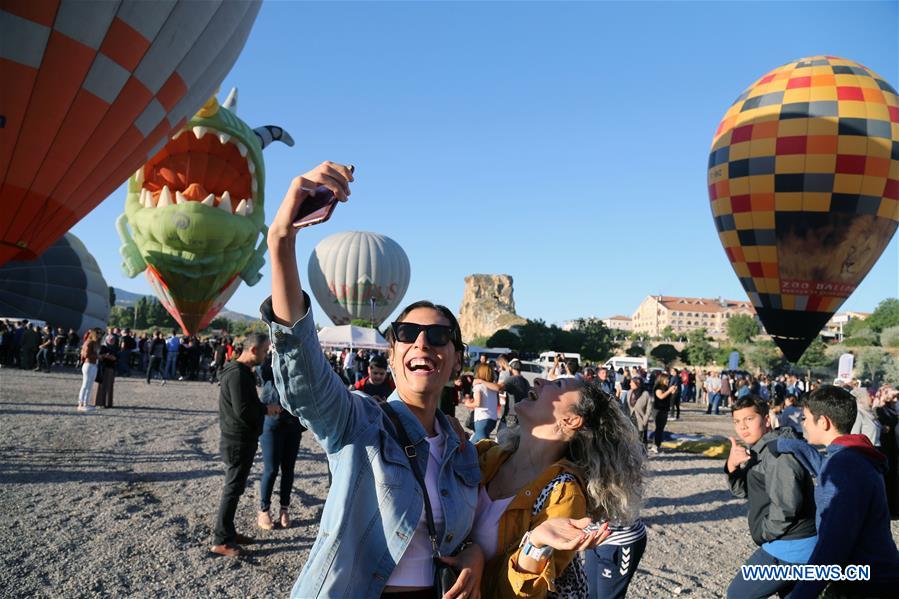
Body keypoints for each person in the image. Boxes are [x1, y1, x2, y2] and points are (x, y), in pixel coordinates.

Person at [262, 161, 483, 597]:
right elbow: (303, 373)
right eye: (407, 334)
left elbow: (476, 527)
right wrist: (281, 240)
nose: (423, 343)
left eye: (439, 336)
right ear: (393, 352)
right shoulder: (360, 423)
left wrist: (474, 553)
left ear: (456, 360)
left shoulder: (465, 452)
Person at [471, 379, 644, 598]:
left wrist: (535, 543)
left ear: (570, 420)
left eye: (559, 385)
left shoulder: (563, 495)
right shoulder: (483, 455)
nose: (538, 380)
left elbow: (517, 595)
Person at [775, 385, 899, 598]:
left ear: (823, 421)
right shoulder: (852, 456)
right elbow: (823, 466)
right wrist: (787, 445)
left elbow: (833, 544)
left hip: (868, 585)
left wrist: (801, 594)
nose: (803, 424)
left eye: (805, 418)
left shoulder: (844, 466)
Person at [724, 395, 817, 599]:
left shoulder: (778, 452)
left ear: (766, 420)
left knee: (737, 595)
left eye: (749, 419)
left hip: (791, 546)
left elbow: (787, 506)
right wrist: (732, 468)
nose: (742, 427)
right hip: (790, 543)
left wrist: (763, 533)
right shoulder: (761, 448)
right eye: (737, 421)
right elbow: (746, 491)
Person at [210, 332, 271, 557]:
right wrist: (267, 409)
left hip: (241, 439)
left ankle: (228, 531)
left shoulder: (242, 372)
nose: (266, 356)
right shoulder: (237, 374)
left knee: (235, 488)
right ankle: (221, 540)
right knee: (232, 489)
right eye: (264, 351)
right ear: (253, 350)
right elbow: (243, 410)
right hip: (237, 440)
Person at [257, 349, 305, 531]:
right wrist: (271, 354)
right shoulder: (270, 364)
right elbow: (262, 372)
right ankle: (264, 510)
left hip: (292, 423)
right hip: (272, 423)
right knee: (271, 469)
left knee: (288, 469)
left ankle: (284, 509)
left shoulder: (299, 365)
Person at [466, 363, 499, 442]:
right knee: (473, 443)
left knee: (484, 445)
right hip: (492, 419)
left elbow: (477, 403)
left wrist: (468, 404)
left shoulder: (479, 386)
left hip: (482, 419)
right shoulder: (492, 388)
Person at [650, 373, 677, 453]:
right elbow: (661, 396)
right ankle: (655, 445)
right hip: (658, 410)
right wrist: (669, 391)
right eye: (666, 379)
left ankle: (657, 444)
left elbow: (669, 397)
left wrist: (673, 392)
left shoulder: (666, 387)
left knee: (661, 428)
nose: (668, 381)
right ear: (662, 379)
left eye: (668, 379)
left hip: (665, 409)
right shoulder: (658, 387)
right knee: (658, 428)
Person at [77, 331, 100, 411]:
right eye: (98, 333)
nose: (99, 335)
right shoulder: (89, 342)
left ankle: (86, 403)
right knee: (85, 385)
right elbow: (86, 355)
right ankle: (81, 403)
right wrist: (97, 356)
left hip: (93, 365)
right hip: (89, 364)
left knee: (90, 385)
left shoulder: (94, 343)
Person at [94, 334, 118, 408]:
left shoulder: (115, 348)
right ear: (106, 340)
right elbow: (99, 356)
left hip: (111, 368)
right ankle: (100, 402)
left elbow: (115, 358)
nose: (111, 341)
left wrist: (108, 356)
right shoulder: (102, 347)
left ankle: (108, 403)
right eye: (110, 340)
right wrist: (106, 356)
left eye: (113, 340)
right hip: (102, 368)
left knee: (109, 386)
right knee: (101, 386)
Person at [628, 377, 652, 448]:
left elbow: (649, 409)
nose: (630, 384)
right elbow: (626, 407)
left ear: (637, 384)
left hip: (641, 420)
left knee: (641, 439)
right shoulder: (629, 393)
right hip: (630, 419)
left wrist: (645, 420)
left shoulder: (645, 394)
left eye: (631, 382)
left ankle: (643, 454)